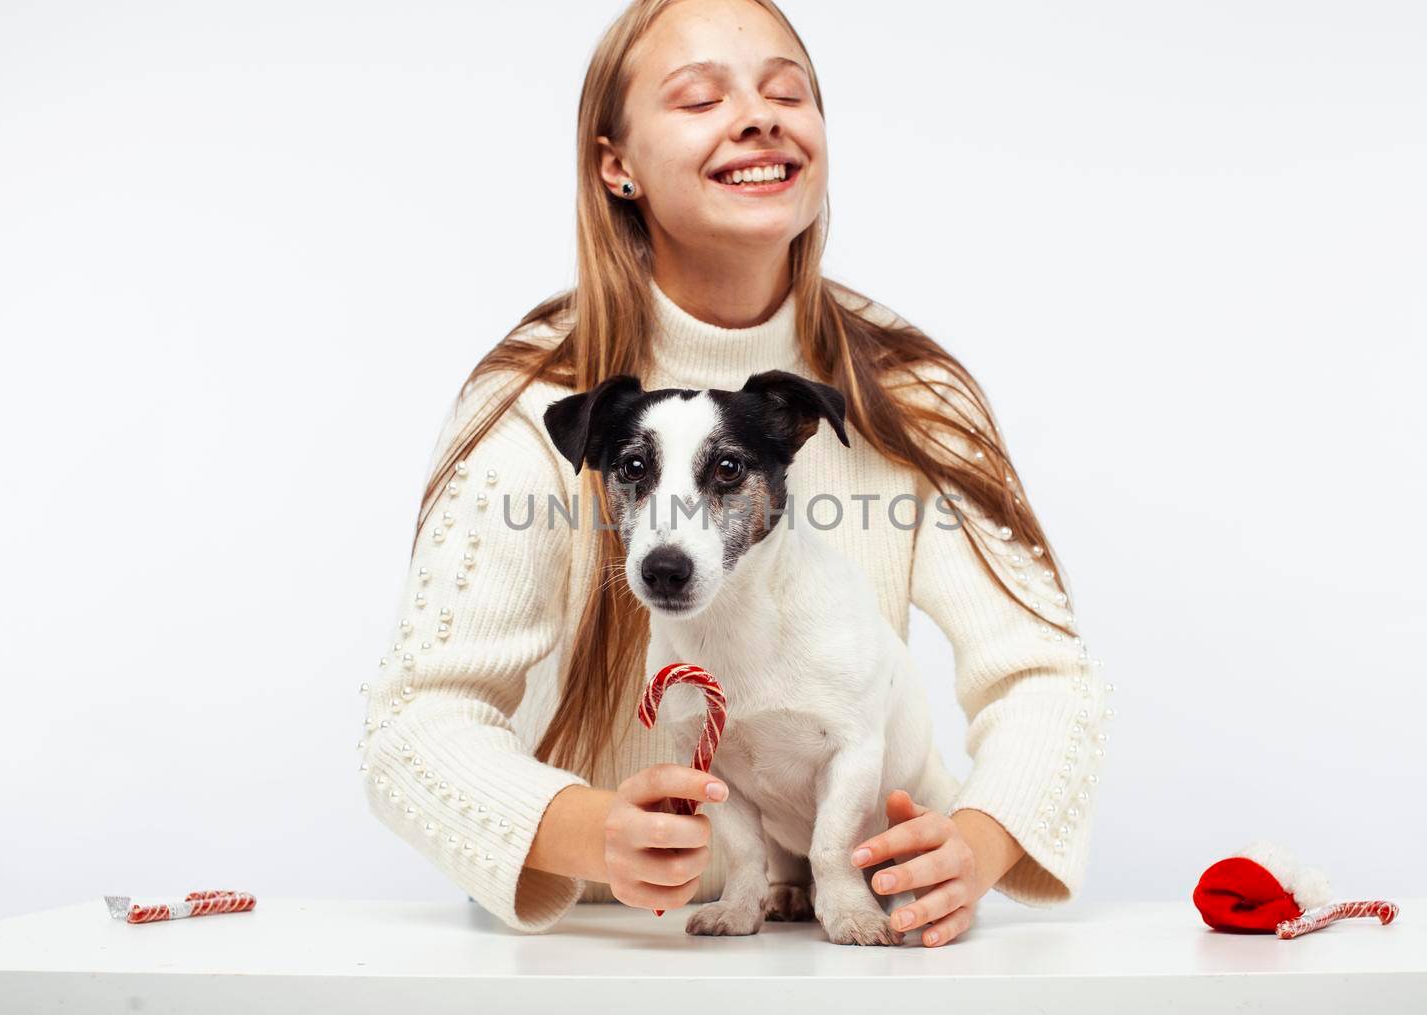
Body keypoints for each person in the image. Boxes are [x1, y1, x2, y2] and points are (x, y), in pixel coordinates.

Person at [357, 0, 1115, 948]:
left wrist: (978, 843)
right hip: (594, 959)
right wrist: (593, 835)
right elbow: (416, 722)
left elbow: (1046, 672)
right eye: (701, 96)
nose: (758, 115)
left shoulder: (914, 392)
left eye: (786, 91)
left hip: (869, 953)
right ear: (616, 165)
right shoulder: (532, 392)